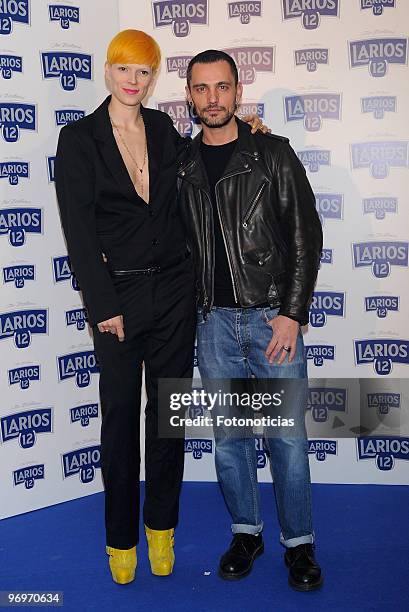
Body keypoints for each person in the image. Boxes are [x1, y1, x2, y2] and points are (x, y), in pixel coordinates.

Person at [55, 30, 266, 585]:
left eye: (144, 72)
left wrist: (253, 135)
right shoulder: (78, 140)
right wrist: (103, 304)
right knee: (121, 421)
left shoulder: (162, 128)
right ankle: (120, 541)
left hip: (175, 292)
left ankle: (161, 532)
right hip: (117, 300)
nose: (133, 80)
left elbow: (206, 156)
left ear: (153, 79)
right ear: (108, 71)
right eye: (124, 69)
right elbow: (79, 234)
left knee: (167, 420)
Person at [177, 50, 324, 591]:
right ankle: (246, 532)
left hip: (271, 321)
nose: (212, 97)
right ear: (189, 95)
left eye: (222, 87)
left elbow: (307, 236)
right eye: (201, 88)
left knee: (286, 438)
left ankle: (299, 544)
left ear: (238, 91)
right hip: (213, 324)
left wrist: (292, 313)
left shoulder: (273, 154)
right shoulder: (183, 164)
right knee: (229, 440)